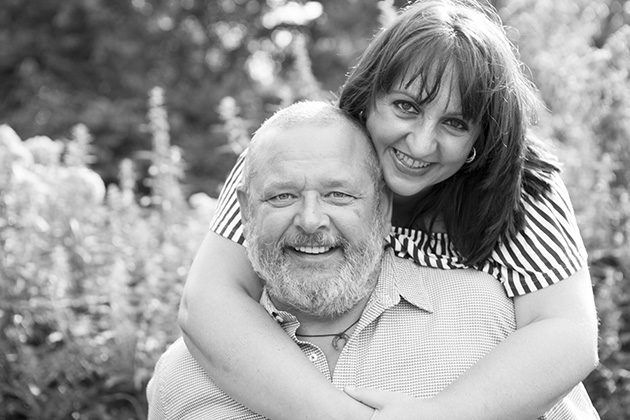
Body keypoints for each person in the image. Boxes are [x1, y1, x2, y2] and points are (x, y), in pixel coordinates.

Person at [178, 1, 599, 419]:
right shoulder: (299, 153)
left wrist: (442, 414)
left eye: (454, 123)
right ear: (369, 94)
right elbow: (210, 300)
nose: (420, 144)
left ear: (481, 137)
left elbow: (568, 333)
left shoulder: (521, 187)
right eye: (406, 107)